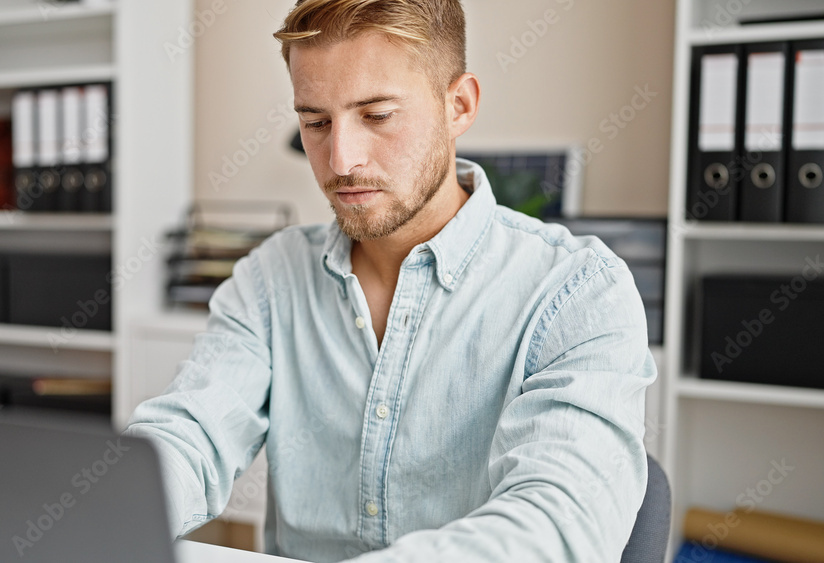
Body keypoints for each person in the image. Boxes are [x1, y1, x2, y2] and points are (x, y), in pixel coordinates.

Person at [126, 1, 657, 561]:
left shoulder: (578, 292)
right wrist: (110, 511)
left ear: (459, 105)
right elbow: (192, 432)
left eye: (377, 115)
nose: (341, 159)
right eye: (315, 122)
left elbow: (556, 522)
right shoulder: (271, 277)